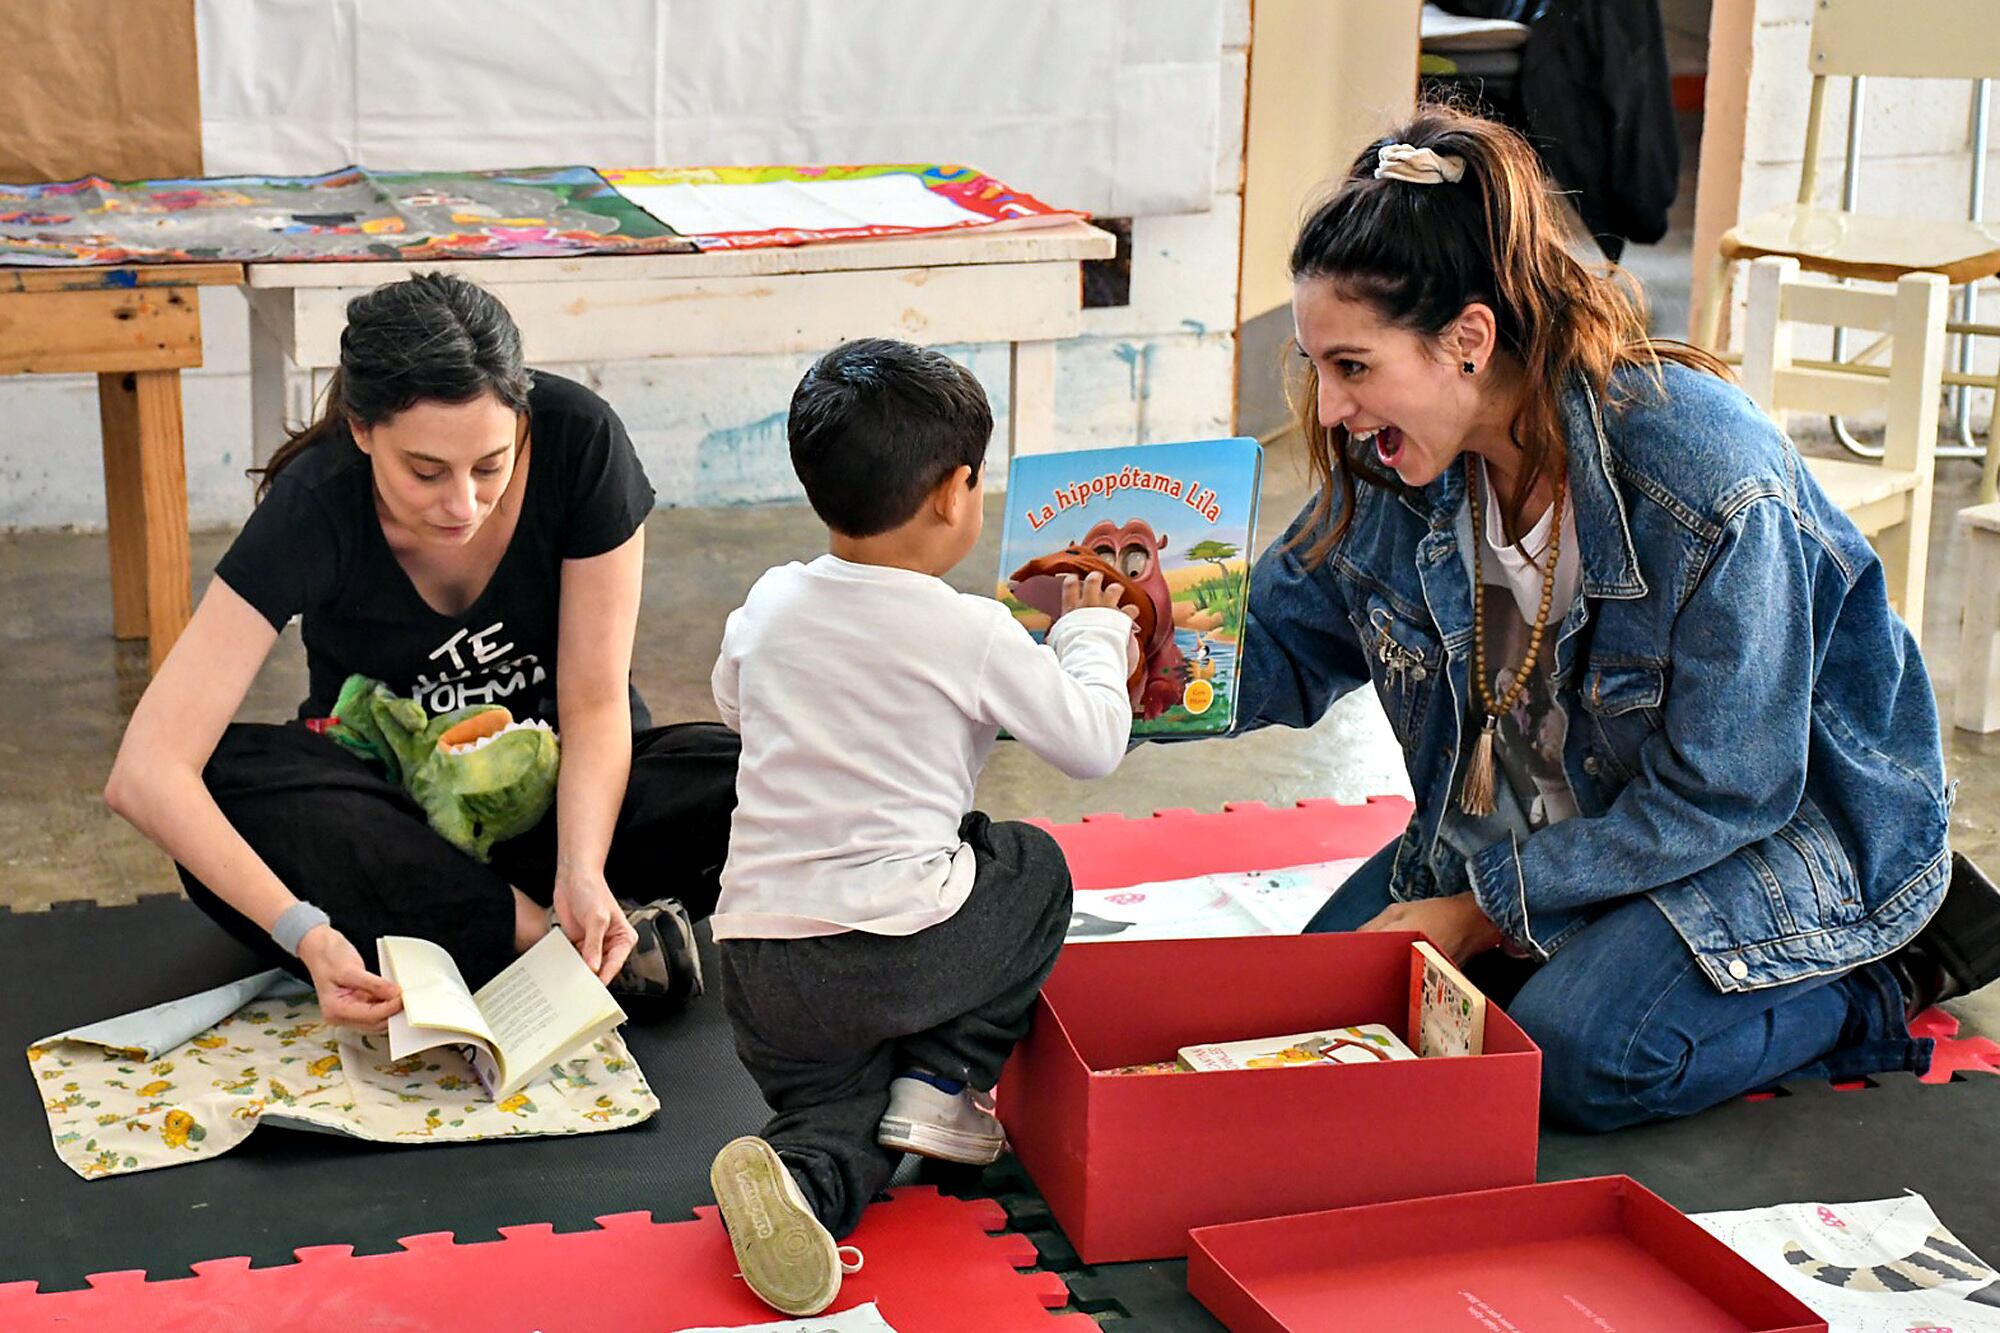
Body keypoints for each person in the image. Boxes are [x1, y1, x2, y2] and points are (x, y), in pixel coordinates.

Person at [1238, 106, 2000, 1133]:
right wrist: (1100, 667)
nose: (1327, 410)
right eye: (1317, 365)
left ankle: (1882, 968)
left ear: (1467, 340)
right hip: (1546, 815)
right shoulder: (1395, 462)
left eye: (1352, 366)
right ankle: (1563, 923)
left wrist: (1476, 909)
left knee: (1579, 1054)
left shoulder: (1702, 477)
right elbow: (1281, 646)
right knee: (1321, 1003)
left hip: (1771, 826)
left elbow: (1728, 790)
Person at [104, 273, 738, 1027]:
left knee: (754, 774)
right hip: (392, 825)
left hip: (567, 807)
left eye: (490, 467)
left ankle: (531, 923)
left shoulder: (580, 441)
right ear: (363, 430)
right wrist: (306, 934)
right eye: (425, 472)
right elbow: (145, 771)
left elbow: (595, 699)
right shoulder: (316, 501)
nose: (463, 504)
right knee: (223, 784)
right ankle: (549, 941)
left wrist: (582, 867)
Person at [704, 338, 1138, 1316]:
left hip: (763, 971)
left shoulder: (769, 601)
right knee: (1026, 864)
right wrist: (1092, 632)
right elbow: (1091, 742)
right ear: (953, 493)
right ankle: (946, 1077)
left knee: (843, 1113)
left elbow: (734, 701)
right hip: (895, 954)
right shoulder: (966, 628)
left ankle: (802, 1180)